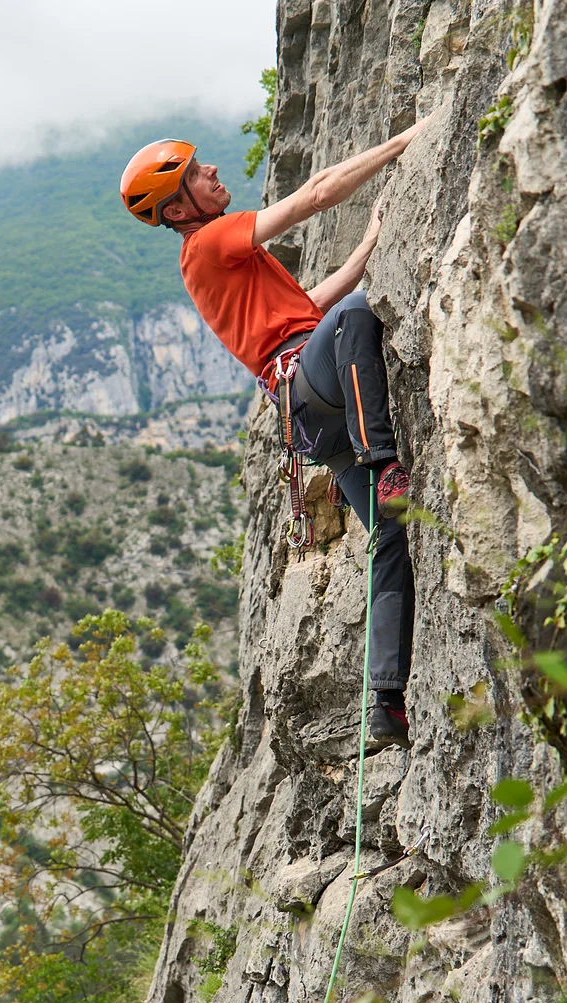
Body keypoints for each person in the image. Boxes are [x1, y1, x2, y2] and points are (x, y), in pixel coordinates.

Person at [118, 122, 427, 749]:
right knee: (359, 315)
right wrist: (402, 143)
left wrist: (368, 244)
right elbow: (312, 197)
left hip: (311, 409)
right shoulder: (205, 243)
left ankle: (386, 700)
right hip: (314, 386)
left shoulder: (217, 260)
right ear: (179, 209)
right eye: (197, 174)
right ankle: (386, 458)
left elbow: (308, 305)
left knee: (391, 537)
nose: (213, 173)